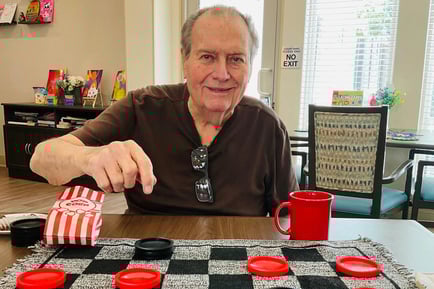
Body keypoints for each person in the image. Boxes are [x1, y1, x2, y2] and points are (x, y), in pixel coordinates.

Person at [30, 6, 299, 215]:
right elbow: (41, 159)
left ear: (250, 66)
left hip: (237, 260)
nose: (221, 73)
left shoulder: (267, 126)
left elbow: (289, 216)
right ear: (185, 60)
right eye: (207, 57)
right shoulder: (142, 107)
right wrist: (90, 157)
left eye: (236, 59)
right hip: (148, 257)